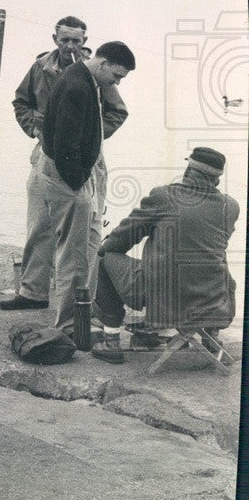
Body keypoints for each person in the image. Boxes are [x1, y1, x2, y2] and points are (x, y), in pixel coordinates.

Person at [0, 17, 128, 312]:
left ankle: (81, 302)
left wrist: (90, 137)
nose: (70, 46)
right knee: (39, 223)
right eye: (64, 40)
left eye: (76, 41)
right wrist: (34, 129)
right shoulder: (40, 68)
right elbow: (20, 102)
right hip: (45, 153)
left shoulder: (97, 72)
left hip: (83, 158)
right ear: (54, 38)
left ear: (85, 41)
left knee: (84, 231)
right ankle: (33, 291)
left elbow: (118, 112)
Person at [90, 148, 239, 363]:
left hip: (164, 298)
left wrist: (109, 251)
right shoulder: (230, 206)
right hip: (213, 299)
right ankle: (210, 338)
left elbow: (122, 239)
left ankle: (111, 340)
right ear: (216, 179)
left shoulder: (164, 196)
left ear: (188, 171)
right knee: (207, 257)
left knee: (105, 258)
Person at [40, 41, 136, 338]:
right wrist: (80, 184)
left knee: (86, 247)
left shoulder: (83, 77)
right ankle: (68, 324)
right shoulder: (77, 88)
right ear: (103, 63)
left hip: (75, 175)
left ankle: (82, 311)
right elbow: (65, 147)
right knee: (74, 253)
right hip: (68, 178)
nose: (117, 83)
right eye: (116, 76)